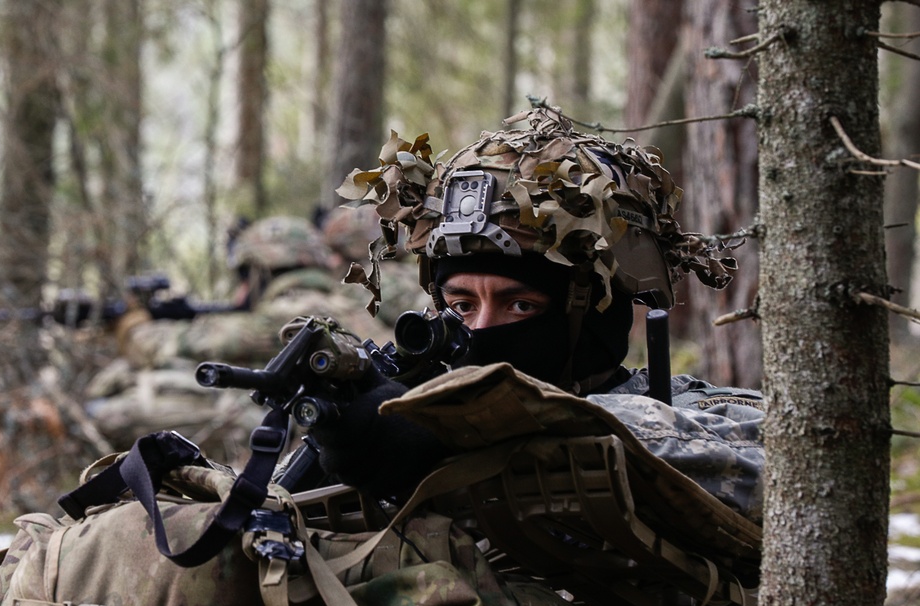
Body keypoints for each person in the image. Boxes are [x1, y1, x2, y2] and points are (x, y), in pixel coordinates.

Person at [312, 106, 764, 524]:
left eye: (520, 305)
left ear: (595, 313)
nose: (482, 332)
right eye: (461, 307)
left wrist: (461, 430)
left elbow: (768, 469)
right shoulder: (416, 421)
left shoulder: (696, 416)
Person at [84, 214, 395, 466]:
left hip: (332, 445)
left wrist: (132, 325)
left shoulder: (294, 312)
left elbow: (184, 344)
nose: (241, 290)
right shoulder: (347, 304)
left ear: (262, 271)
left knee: (112, 412)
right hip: (365, 437)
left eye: (244, 276)